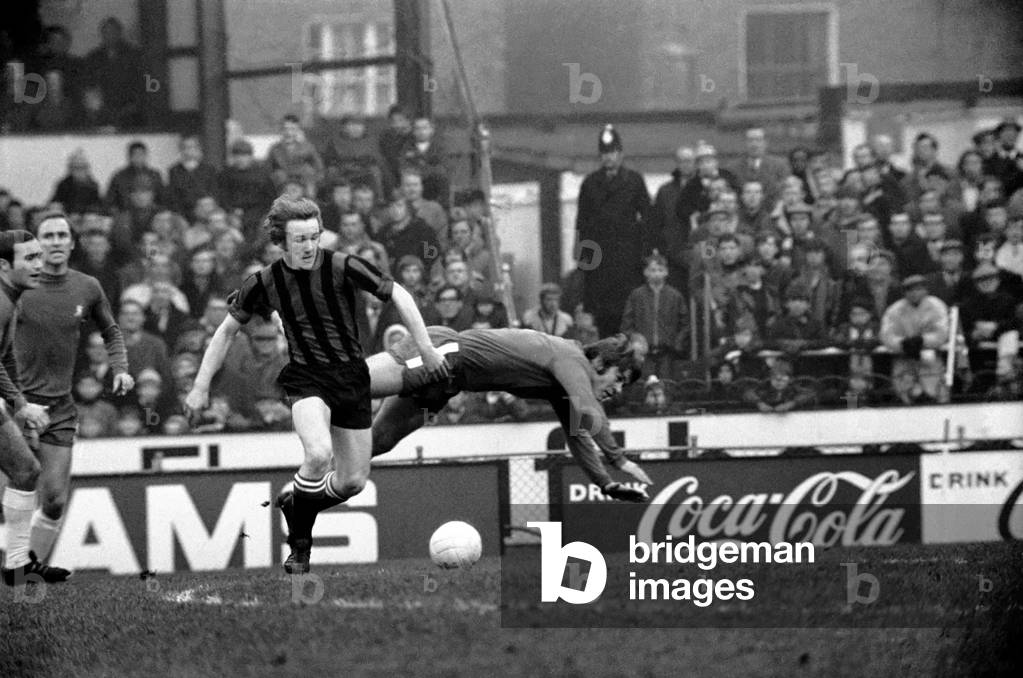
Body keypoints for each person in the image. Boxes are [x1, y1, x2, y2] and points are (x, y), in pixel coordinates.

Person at [184, 196, 448, 575]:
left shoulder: (343, 265)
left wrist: (426, 348)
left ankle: (298, 503)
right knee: (319, 453)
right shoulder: (264, 281)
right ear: (281, 240)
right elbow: (226, 332)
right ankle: (300, 546)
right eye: (300, 239)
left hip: (352, 377)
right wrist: (199, 387)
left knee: (353, 481)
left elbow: (400, 294)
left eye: (314, 237)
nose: (309, 246)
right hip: (307, 379)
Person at [274, 328, 653, 538]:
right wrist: (619, 459)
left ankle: (302, 496)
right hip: (442, 353)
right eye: (619, 378)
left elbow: (578, 433)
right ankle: (305, 367)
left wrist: (605, 482)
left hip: (446, 383)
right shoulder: (572, 359)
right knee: (350, 384)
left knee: (379, 442)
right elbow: (589, 410)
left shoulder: (568, 382)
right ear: (599, 362)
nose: (618, 389)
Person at [13, 214, 133, 564]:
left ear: (71, 243)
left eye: (61, 235)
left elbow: (110, 331)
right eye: (47, 235)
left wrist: (120, 368)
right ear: (37, 245)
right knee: (16, 486)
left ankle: (26, 571)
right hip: (16, 403)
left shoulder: (87, 287)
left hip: (59, 406)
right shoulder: (17, 287)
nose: (55, 241)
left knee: (54, 500)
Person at [0, 231, 71, 585]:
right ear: (3, 266)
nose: (39, 265)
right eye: (29, 258)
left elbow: (7, 358)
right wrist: (20, 406)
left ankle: (16, 565)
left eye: (39, 257)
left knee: (26, 470)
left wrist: (21, 405)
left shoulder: (11, 299)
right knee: (25, 470)